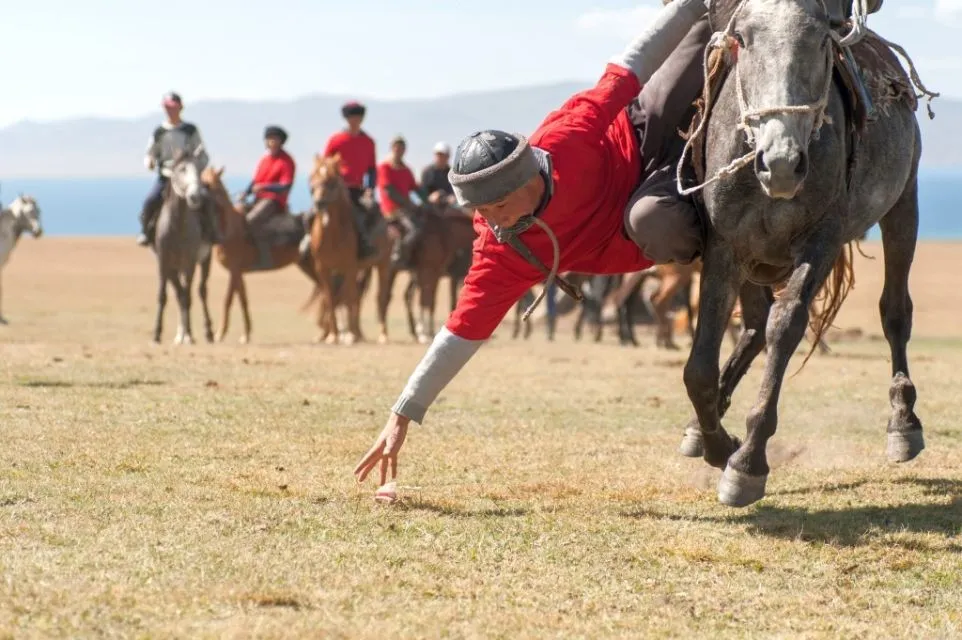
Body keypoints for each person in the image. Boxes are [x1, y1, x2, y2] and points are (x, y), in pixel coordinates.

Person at [354, 0, 717, 488]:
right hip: (643, 225)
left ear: (529, 176)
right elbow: (462, 332)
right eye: (480, 212)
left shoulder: (569, 135)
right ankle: (736, 246)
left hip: (641, 137)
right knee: (653, 219)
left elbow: (630, 66)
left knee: (699, 35)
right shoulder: (501, 250)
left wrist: (691, 5)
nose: (491, 220)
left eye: (497, 206)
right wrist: (403, 412)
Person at [138, 92, 220, 247]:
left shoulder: (190, 130)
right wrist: (149, 162)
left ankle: (211, 232)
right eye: (167, 107)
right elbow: (150, 153)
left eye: (173, 107)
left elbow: (203, 154)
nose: (170, 110)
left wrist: (196, 167)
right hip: (166, 175)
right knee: (150, 201)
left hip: (188, 177)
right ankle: (146, 232)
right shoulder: (159, 131)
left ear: (180, 107)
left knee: (207, 200)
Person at [322, 101, 377, 258]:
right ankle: (307, 244)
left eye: (358, 117)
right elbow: (325, 164)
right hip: (335, 188)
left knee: (366, 213)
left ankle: (365, 245)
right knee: (315, 212)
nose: (354, 120)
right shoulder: (335, 140)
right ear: (346, 119)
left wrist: (370, 189)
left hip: (356, 189)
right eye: (351, 117)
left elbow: (372, 169)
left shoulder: (368, 142)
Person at [239, 126, 296, 269]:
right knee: (236, 213)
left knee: (251, 220)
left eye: (275, 139)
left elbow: (285, 186)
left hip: (274, 200)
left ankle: (264, 257)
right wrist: (246, 192)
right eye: (269, 139)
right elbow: (256, 180)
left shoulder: (286, 161)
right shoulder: (265, 159)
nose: (271, 142)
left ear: (281, 142)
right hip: (258, 198)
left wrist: (265, 187)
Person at [376, 136, 421, 268]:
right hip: (390, 210)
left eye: (401, 148)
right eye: (396, 147)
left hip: (405, 209)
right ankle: (398, 255)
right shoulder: (384, 167)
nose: (399, 150)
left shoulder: (406, 170)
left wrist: (427, 199)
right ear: (392, 149)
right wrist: (409, 203)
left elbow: (415, 188)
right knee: (414, 229)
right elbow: (389, 191)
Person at [420, 141, 457, 207]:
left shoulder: (452, 173)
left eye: (442, 155)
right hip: (430, 207)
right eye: (438, 155)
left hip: (449, 206)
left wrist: (452, 197)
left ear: (448, 156)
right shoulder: (427, 171)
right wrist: (431, 197)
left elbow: (454, 191)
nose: (440, 158)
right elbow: (422, 193)